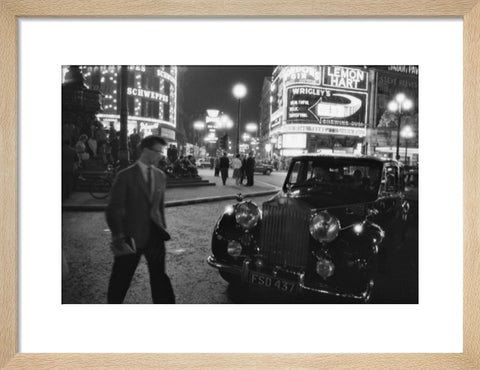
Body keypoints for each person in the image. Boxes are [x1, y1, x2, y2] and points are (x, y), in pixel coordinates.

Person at [105, 135, 175, 304]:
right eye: (158, 151)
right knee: (121, 278)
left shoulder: (160, 176)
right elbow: (113, 208)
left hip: (155, 237)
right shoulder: (125, 176)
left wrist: (162, 227)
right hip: (131, 237)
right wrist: (118, 235)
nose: (161, 155)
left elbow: (159, 206)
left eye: (161, 152)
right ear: (145, 150)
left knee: (159, 277)